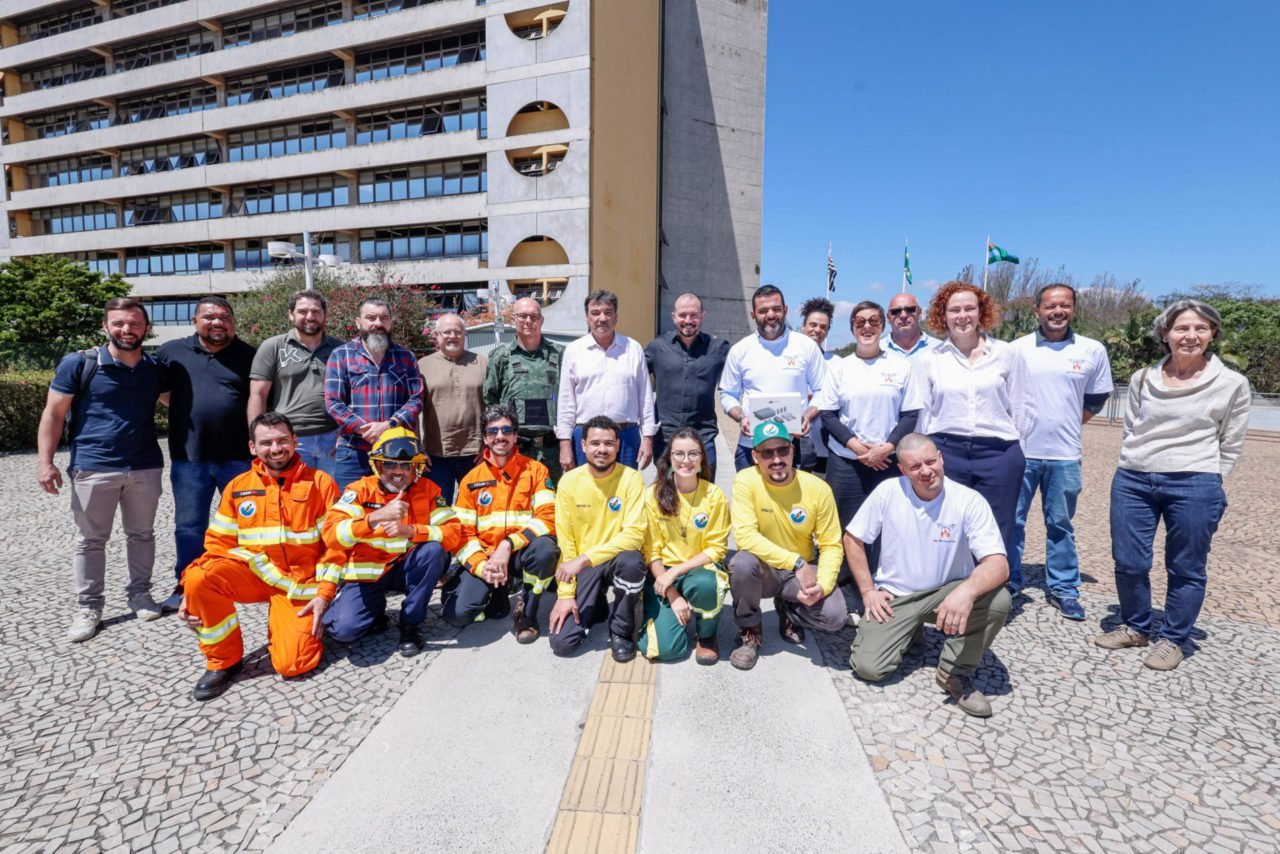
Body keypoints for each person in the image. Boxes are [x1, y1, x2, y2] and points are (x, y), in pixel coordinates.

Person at [1094, 299, 1250, 671]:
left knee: (1186, 566)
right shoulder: (1143, 378)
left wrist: (1211, 476)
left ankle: (1175, 638)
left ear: (1212, 334)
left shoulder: (1231, 384)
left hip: (1195, 482)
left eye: (1200, 328)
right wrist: (1138, 460)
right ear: (1165, 333)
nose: (1190, 336)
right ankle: (1136, 625)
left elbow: (1231, 441)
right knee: (1129, 560)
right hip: (1134, 478)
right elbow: (1133, 426)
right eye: (1181, 328)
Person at [845, 434, 1012, 718]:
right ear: (902, 470)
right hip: (897, 595)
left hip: (947, 593)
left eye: (931, 461)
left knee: (999, 600)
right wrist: (868, 591)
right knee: (870, 668)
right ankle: (910, 631)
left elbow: (998, 563)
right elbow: (853, 538)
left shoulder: (968, 500)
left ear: (941, 459)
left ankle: (954, 673)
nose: (926, 471)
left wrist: (967, 592)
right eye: (915, 467)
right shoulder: (888, 491)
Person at [177, 413, 342, 700]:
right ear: (253, 447)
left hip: (297, 584)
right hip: (254, 575)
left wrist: (324, 594)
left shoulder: (321, 484)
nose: (276, 449)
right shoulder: (238, 487)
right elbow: (218, 543)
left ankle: (294, 627)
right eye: (266, 443)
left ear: (295, 441)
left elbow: (336, 546)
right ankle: (223, 661)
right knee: (198, 577)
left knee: (294, 664)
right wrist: (189, 593)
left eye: (282, 440)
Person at [37, 298, 169, 642]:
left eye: (135, 324)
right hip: (93, 466)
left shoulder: (154, 368)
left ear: (146, 328)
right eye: (119, 324)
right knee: (91, 540)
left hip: (144, 464)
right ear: (105, 327)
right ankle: (89, 607)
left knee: (142, 534)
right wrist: (45, 462)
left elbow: (181, 402)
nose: (127, 330)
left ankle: (140, 594)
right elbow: (53, 413)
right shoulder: (80, 363)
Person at [901, 282, 1033, 565]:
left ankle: (990, 597)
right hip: (948, 453)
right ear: (943, 315)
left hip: (999, 454)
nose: (962, 316)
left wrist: (1016, 450)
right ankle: (948, 592)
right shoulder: (929, 360)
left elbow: (1021, 408)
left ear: (981, 312)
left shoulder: (1007, 354)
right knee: (947, 525)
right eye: (954, 310)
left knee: (997, 527)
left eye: (969, 308)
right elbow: (924, 413)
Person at [1009, 285, 1114, 618]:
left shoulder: (1092, 350)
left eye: (1064, 305)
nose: (1057, 311)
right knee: (1012, 521)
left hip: (1065, 455)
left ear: (1073, 309)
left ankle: (1064, 588)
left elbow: (1096, 399)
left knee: (1061, 524)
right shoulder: (1016, 350)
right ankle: (1009, 583)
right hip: (1020, 452)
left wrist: (1067, 423)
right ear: (1037, 310)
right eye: (1050, 306)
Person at [321, 427, 462, 656]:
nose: (399, 471)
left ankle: (410, 625)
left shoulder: (428, 490)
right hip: (367, 576)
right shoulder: (359, 491)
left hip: (406, 570)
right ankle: (375, 612)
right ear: (377, 466)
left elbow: (454, 533)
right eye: (390, 464)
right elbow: (331, 534)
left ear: (415, 467)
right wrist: (374, 518)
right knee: (343, 631)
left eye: (406, 465)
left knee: (434, 551)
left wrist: (411, 531)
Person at [156, 295, 257, 611]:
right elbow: (160, 391)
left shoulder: (249, 355)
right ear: (195, 320)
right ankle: (186, 583)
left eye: (224, 317)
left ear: (233, 321)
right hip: (190, 458)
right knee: (190, 526)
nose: (218, 323)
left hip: (240, 457)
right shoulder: (171, 353)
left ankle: (246, 579)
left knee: (249, 522)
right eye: (210, 317)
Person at [727, 422, 846, 671]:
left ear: (793, 451)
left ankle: (790, 610)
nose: (776, 459)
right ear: (755, 456)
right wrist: (796, 562)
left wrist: (822, 586)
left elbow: (831, 545)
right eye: (767, 453)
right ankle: (750, 630)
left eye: (782, 450)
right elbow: (745, 537)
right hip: (765, 571)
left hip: (797, 576)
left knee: (835, 617)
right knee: (741, 563)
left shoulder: (817, 489)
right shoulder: (746, 481)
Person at [444, 404, 559, 642]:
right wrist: (480, 567)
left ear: (515, 436)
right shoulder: (471, 479)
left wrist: (508, 545)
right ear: (485, 438)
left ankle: (527, 611)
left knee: (546, 550)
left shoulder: (536, 471)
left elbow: (548, 518)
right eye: (493, 431)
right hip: (487, 558)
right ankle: (494, 596)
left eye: (507, 430)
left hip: (520, 553)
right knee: (458, 615)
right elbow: (461, 533)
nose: (500, 436)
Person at [815, 301, 914, 558]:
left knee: (889, 524)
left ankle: (883, 581)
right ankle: (846, 586)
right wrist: (856, 446)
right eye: (860, 322)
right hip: (847, 460)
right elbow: (828, 414)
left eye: (873, 321)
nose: (867, 326)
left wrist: (888, 448)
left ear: (883, 326)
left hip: (887, 460)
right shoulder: (838, 367)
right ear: (852, 329)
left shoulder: (901, 365)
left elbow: (910, 414)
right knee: (845, 526)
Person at [548, 416, 648, 662]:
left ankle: (620, 630)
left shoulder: (631, 479)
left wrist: (585, 558)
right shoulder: (569, 482)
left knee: (633, 562)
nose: (601, 449)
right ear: (582, 445)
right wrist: (565, 595)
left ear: (618, 445)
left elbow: (634, 536)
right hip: (584, 568)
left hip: (614, 561)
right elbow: (566, 541)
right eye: (595, 443)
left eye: (608, 443)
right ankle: (597, 602)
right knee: (563, 643)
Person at [637, 428, 731, 664]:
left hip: (697, 570)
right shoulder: (653, 495)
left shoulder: (714, 495)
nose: (686, 461)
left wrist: (677, 572)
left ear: (702, 459)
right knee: (666, 650)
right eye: (678, 454)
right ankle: (657, 610)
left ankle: (706, 635)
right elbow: (651, 551)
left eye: (693, 454)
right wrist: (672, 594)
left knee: (709, 584)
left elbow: (716, 549)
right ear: (669, 458)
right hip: (661, 573)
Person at [719, 285, 828, 472]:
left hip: (794, 445)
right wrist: (742, 417)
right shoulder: (740, 350)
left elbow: (823, 391)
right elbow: (727, 394)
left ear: (785, 310)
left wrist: (807, 417)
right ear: (753, 314)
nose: (770, 315)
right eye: (763, 311)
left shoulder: (806, 346)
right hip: (751, 446)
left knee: (795, 502)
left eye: (776, 309)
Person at [324, 298, 424, 490]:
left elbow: (417, 399)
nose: (378, 323)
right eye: (371, 318)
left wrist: (389, 425)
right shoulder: (341, 355)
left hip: (397, 453)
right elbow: (333, 402)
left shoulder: (406, 357)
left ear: (390, 322)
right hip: (354, 452)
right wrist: (365, 429)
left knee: (397, 511)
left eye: (384, 318)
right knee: (351, 512)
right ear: (358, 322)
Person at [555, 290, 656, 472]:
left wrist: (648, 438)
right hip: (586, 436)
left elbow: (645, 398)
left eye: (608, 312)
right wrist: (564, 445)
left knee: (624, 494)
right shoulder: (574, 351)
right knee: (586, 495)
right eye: (595, 313)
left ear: (616, 317)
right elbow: (566, 402)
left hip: (626, 437)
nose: (602, 318)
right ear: (587, 318)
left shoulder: (633, 349)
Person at [247, 289, 343, 479]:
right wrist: (257, 437)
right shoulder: (273, 347)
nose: (310, 316)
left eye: (316, 312)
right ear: (291, 314)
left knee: (336, 499)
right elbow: (258, 395)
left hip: (334, 439)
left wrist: (346, 435)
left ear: (325, 315)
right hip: (290, 440)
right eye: (303, 311)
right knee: (296, 499)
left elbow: (352, 396)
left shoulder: (340, 349)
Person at [644, 293, 730, 478]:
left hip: (703, 437)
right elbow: (633, 378)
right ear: (674, 316)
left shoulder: (718, 349)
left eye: (694, 315)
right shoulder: (657, 348)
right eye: (683, 315)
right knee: (667, 495)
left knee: (704, 496)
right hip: (665, 438)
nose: (688, 320)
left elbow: (742, 373)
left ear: (702, 316)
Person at [484, 297, 565, 481]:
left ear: (541, 321)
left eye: (534, 317)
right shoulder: (500, 357)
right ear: (513, 320)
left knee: (550, 501)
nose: (528, 321)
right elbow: (491, 401)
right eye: (522, 316)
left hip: (552, 448)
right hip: (515, 448)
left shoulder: (560, 354)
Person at [418, 312, 487, 503]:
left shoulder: (482, 364)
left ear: (465, 335)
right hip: (436, 454)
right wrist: (418, 448)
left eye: (458, 332)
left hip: (476, 453)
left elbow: (493, 407)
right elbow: (413, 411)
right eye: (447, 332)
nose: (452, 336)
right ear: (437, 336)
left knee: (478, 508)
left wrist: (487, 444)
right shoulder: (422, 366)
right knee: (438, 510)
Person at [797, 296, 841, 474]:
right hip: (791, 443)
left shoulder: (836, 363)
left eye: (823, 327)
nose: (817, 330)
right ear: (803, 326)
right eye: (813, 325)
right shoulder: (787, 360)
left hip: (823, 445)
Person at [881, 292, 940, 359]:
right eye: (896, 311)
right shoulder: (875, 351)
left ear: (920, 313)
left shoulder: (941, 349)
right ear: (888, 317)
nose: (903, 315)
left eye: (910, 309)